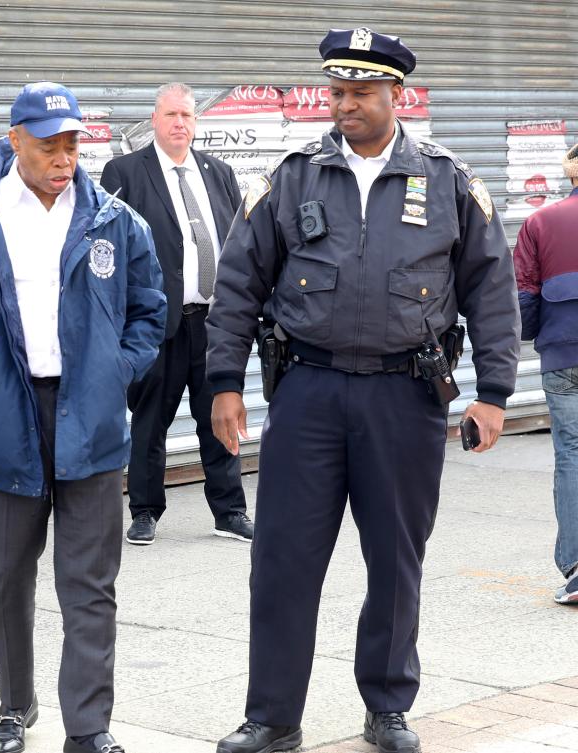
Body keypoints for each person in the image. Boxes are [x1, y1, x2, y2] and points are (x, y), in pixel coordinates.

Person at [206, 29, 521, 753]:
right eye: (337, 92)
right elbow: (237, 286)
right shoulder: (291, 177)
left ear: (397, 96)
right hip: (308, 393)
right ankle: (273, 716)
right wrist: (224, 381)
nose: (344, 104)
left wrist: (495, 391)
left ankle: (387, 705)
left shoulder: (446, 181)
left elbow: (491, 292)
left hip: (404, 399)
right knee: (283, 560)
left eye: (360, 93)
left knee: (395, 559)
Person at [0, 82, 165, 753]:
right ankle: (13, 706)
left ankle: (88, 726)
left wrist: (116, 369)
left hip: (89, 414)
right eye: (48, 142)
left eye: (72, 142)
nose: (63, 156)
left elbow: (150, 308)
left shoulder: (112, 218)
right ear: (15, 138)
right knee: (9, 575)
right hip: (7, 416)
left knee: (89, 583)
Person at [101, 83, 252, 546]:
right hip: (155, 323)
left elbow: (239, 242)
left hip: (212, 323)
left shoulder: (220, 173)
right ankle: (145, 511)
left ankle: (230, 512)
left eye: (187, 115)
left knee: (219, 418)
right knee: (150, 422)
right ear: (154, 120)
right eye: (170, 115)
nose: (179, 124)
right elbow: (109, 250)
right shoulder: (125, 171)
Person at [513, 143, 578, 605]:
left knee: (572, 455)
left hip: (563, 356)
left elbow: (525, 297)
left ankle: (576, 568)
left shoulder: (540, 222)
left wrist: (536, 334)